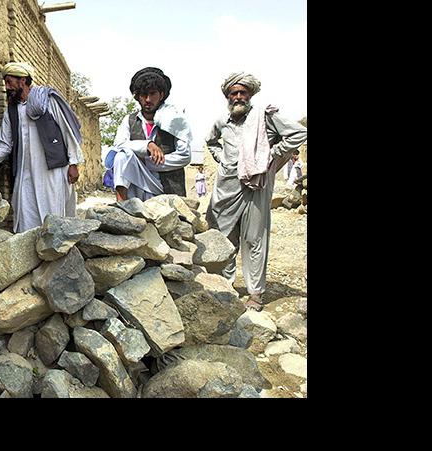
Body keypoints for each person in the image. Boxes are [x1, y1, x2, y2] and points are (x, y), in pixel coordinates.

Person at [205, 72, 307, 312]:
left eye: (243, 92)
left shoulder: (265, 117)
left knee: (254, 239)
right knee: (223, 235)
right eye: (234, 93)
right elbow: (211, 142)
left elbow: (299, 133)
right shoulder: (222, 121)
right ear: (227, 96)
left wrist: (270, 155)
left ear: (250, 95)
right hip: (226, 186)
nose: (238, 96)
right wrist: (223, 161)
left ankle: (255, 294)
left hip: (256, 186)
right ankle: (224, 286)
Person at [0, 62, 84, 233]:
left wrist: (73, 163)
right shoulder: (11, 111)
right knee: (25, 213)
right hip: (25, 171)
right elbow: (4, 145)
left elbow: (67, 132)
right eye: (5, 83)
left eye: (10, 82)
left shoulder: (47, 101)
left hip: (52, 171)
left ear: (23, 81)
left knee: (52, 216)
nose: (7, 87)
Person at [109, 67, 191, 201]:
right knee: (121, 156)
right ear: (137, 97)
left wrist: (149, 162)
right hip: (138, 182)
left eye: (152, 94)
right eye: (143, 95)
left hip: (165, 185)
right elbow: (119, 144)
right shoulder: (129, 120)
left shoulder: (174, 119)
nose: (148, 99)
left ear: (161, 95)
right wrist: (147, 145)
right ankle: (121, 203)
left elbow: (185, 156)